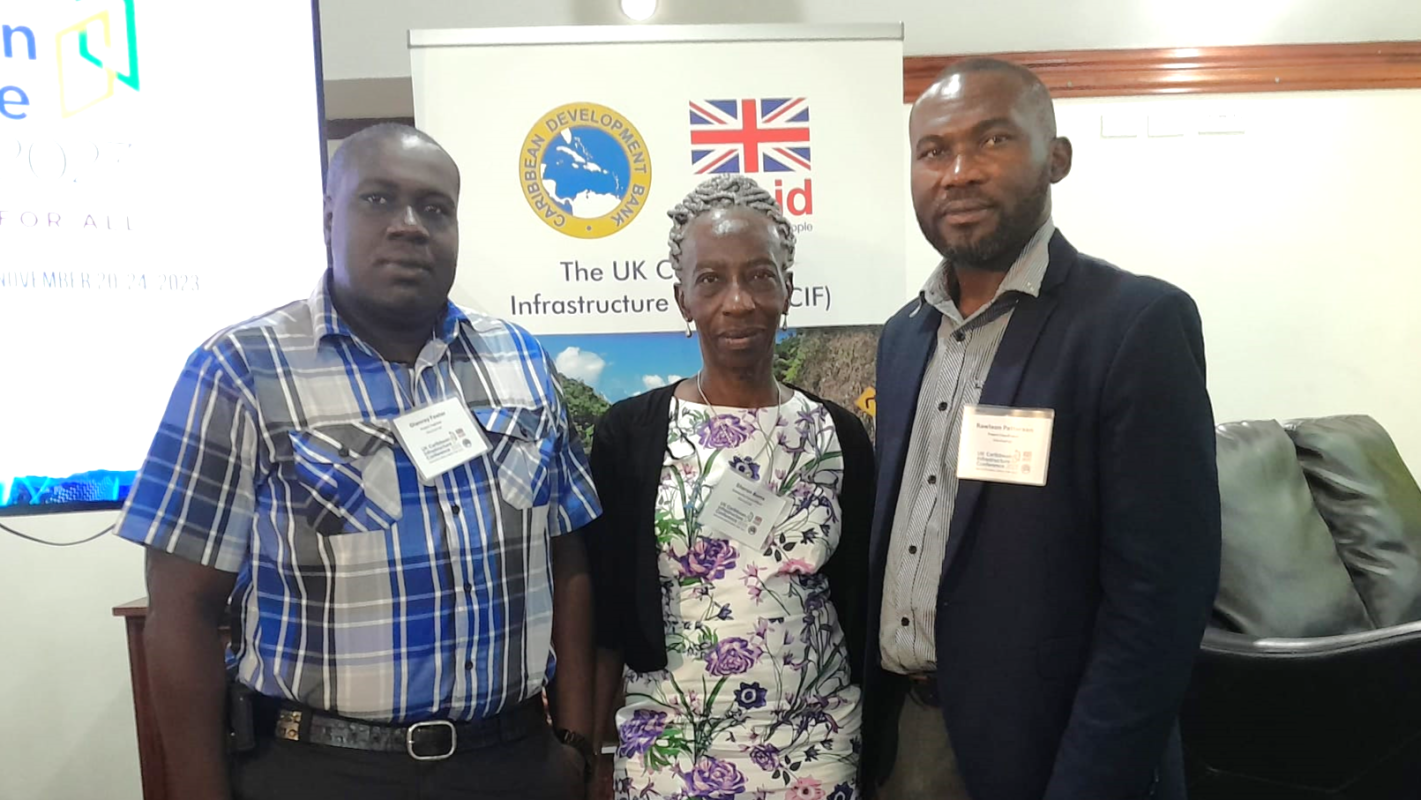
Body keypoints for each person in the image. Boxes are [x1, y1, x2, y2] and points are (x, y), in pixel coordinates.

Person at [115, 123, 601, 800]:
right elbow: (183, 610)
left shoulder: (517, 358)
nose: (409, 226)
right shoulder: (240, 368)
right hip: (323, 768)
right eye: (378, 200)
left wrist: (575, 748)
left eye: (436, 209)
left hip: (514, 762)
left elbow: (568, 556)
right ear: (328, 217)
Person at [864, 59, 1222, 800]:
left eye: (990, 141)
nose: (957, 172)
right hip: (906, 739)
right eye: (933, 151)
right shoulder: (903, 336)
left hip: (1055, 751)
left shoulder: (1133, 325)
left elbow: (1159, 602)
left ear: (1055, 158)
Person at [586, 175, 873, 800]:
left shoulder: (838, 434)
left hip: (816, 749)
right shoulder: (628, 435)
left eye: (760, 275)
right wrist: (596, 756)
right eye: (710, 279)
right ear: (682, 297)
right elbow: (607, 613)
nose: (737, 301)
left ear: (788, 289)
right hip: (669, 751)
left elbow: (856, 598)